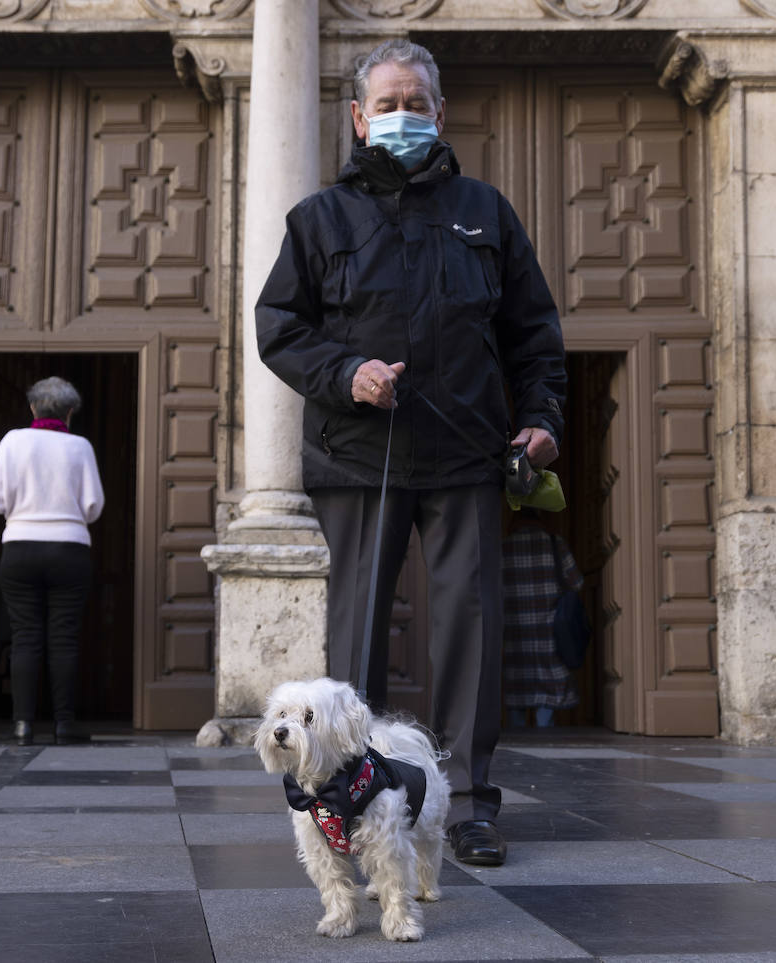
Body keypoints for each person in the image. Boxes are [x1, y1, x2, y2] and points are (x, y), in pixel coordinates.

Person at [256, 39, 566, 866]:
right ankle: (348, 797)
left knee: (469, 625)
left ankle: (468, 803)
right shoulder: (318, 219)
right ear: (357, 118)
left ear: (440, 111)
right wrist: (346, 372)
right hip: (358, 456)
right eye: (385, 104)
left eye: (415, 102)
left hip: (467, 451)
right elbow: (279, 330)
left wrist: (542, 418)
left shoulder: (485, 211)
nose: (401, 116)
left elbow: (534, 334)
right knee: (357, 640)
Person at [0, 376, 104, 746]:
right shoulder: (79, 446)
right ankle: (64, 724)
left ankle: (23, 725)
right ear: (69, 412)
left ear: (33, 408)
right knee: (63, 638)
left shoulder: (13, 441)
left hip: (20, 548)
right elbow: (93, 506)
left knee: (25, 637)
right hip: (69, 550)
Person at [503, 512, 584, 728]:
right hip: (549, 631)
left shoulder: (502, 547)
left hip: (513, 633)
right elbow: (577, 583)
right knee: (549, 687)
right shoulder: (555, 544)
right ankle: (544, 735)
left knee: (516, 687)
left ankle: (516, 737)